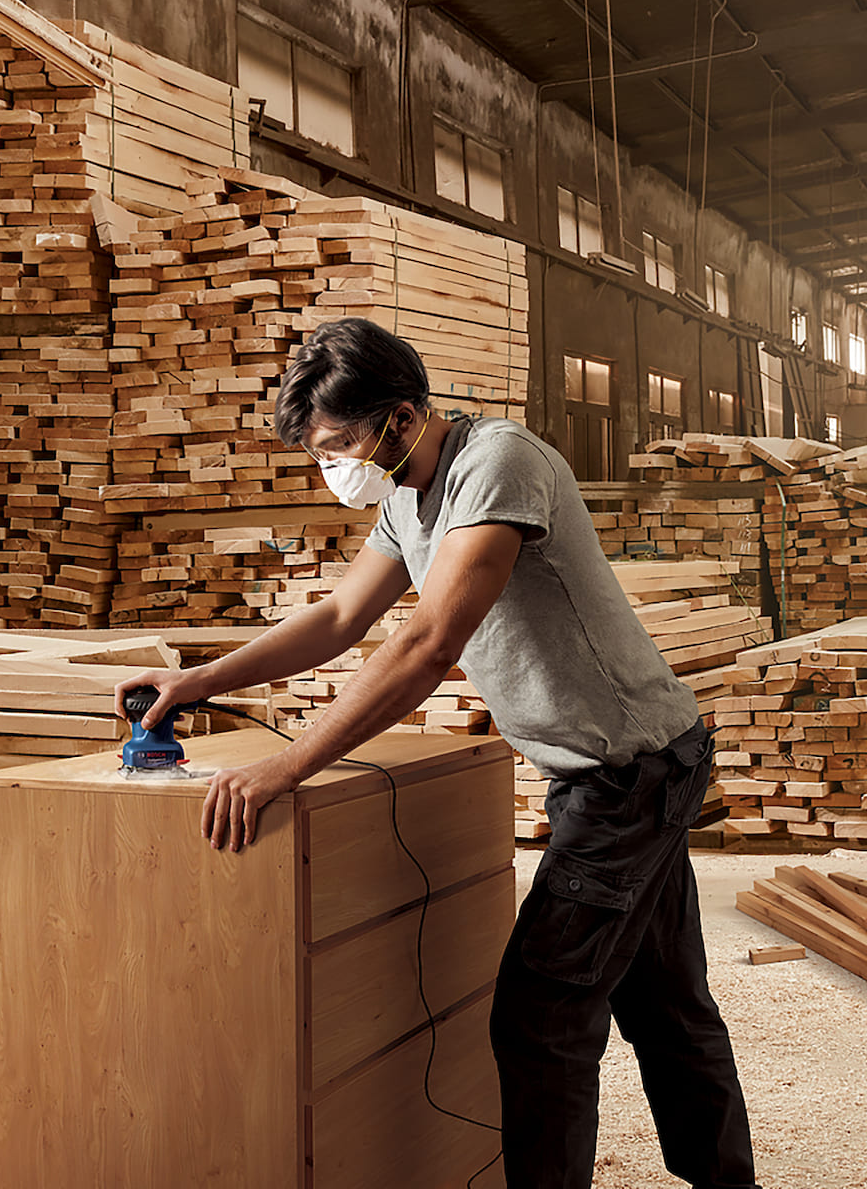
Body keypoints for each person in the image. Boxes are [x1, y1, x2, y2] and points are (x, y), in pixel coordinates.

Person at [115, 317, 760, 1189]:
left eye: (339, 445)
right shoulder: (403, 495)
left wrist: (286, 766)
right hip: (614, 769)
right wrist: (198, 679)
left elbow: (428, 644)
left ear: (402, 417)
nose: (331, 466)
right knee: (667, 1005)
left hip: (630, 777)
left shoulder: (498, 464)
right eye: (319, 452)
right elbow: (340, 618)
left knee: (542, 1016)